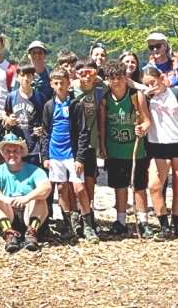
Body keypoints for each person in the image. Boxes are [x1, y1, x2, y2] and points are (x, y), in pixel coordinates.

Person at [39, 67, 93, 243]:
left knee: (79, 188)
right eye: (56, 83)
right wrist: (45, 156)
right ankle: (68, 224)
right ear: (51, 84)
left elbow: (83, 132)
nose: (60, 86)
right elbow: (45, 132)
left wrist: (80, 158)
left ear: (68, 83)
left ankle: (88, 224)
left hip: (71, 154)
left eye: (62, 82)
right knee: (61, 189)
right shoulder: (49, 106)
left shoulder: (76, 105)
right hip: (55, 154)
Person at [101, 60, 153, 238]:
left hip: (136, 150)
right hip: (115, 149)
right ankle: (121, 221)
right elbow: (102, 124)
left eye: (120, 77)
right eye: (113, 78)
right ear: (108, 79)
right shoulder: (105, 98)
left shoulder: (136, 96)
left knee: (139, 187)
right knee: (120, 186)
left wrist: (142, 128)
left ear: (126, 77)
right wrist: (102, 145)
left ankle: (143, 221)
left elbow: (147, 121)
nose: (117, 81)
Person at [0, 132, 51, 253]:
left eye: (15, 151)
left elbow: (47, 187)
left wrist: (27, 198)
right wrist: (4, 198)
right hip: (9, 215)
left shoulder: (34, 170)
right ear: (3, 153)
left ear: (21, 152)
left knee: (39, 197)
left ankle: (32, 233)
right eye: (8, 151)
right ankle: (9, 234)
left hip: (30, 215)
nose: (12, 154)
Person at [142, 64, 178, 239]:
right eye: (147, 84)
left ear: (161, 78)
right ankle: (164, 226)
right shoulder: (145, 97)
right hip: (157, 144)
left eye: (153, 82)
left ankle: (175, 225)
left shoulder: (176, 93)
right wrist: (145, 94)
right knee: (154, 186)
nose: (151, 87)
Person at [71, 59, 104, 239]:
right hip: (72, 144)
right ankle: (76, 215)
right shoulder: (71, 89)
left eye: (90, 72)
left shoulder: (99, 89)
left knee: (90, 182)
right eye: (82, 73)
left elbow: (121, 81)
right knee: (76, 185)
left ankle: (88, 215)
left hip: (90, 143)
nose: (86, 77)